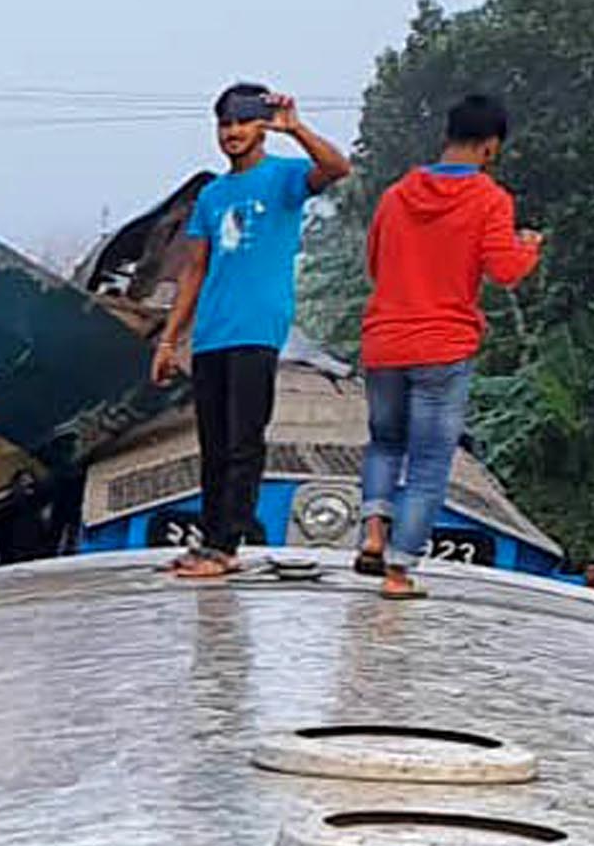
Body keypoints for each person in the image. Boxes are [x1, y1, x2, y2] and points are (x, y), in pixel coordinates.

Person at [149, 81, 353, 582]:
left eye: (242, 122)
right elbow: (195, 269)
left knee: (244, 439)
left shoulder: (284, 177)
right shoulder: (213, 196)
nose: (232, 133)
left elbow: (337, 168)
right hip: (213, 333)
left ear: (260, 127)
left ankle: (225, 545)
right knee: (214, 442)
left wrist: (297, 128)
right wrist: (170, 339)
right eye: (225, 124)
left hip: (257, 329)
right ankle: (209, 540)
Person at [355, 92, 542, 600]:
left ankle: (373, 530)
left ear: (448, 136)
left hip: (385, 341)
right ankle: (397, 571)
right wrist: (529, 248)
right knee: (430, 462)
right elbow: (505, 271)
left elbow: (375, 263)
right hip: (443, 345)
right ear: (490, 147)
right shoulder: (489, 200)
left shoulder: (396, 195)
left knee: (385, 443)